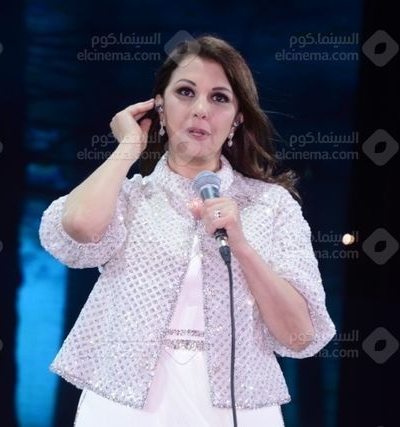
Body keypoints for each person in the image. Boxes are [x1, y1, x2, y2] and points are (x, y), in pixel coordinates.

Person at [39, 35, 336, 427]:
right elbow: (78, 227)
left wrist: (242, 246)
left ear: (237, 117)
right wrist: (129, 146)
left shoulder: (272, 205)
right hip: (126, 402)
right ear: (159, 107)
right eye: (185, 92)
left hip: (238, 405)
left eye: (219, 98)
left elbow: (299, 335)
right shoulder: (129, 197)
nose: (200, 109)